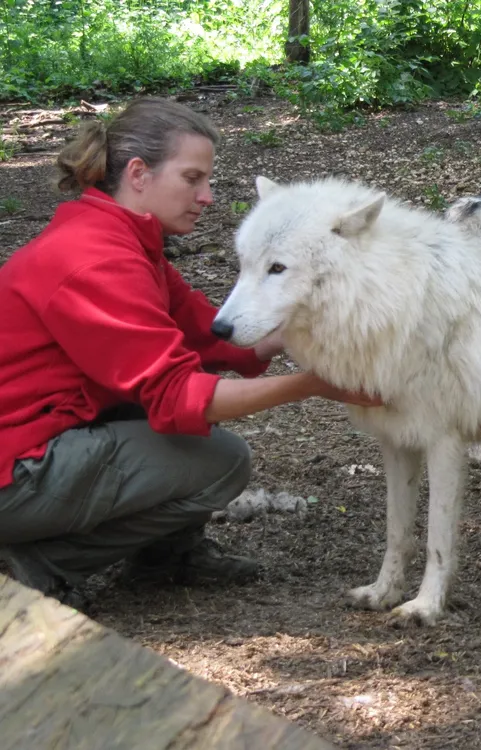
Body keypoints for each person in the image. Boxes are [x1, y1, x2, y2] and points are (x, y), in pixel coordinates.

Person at [0, 97, 382, 611]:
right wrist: (313, 384)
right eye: (192, 178)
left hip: (42, 433)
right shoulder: (94, 260)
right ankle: (36, 566)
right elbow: (179, 395)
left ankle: (168, 557)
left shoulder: (125, 239)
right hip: (13, 469)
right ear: (138, 173)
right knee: (221, 462)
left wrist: (314, 325)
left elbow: (208, 334)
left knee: (161, 412)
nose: (207, 196)